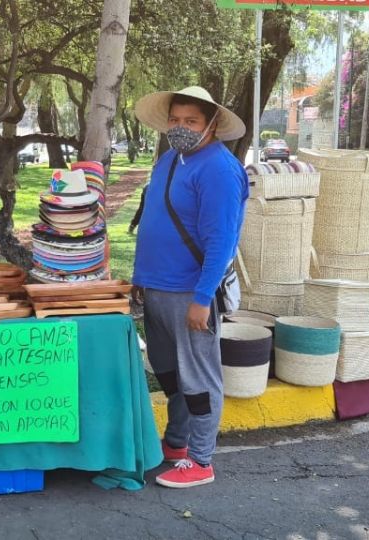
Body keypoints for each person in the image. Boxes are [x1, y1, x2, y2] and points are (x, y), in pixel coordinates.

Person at [131, 86, 248, 488]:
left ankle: (201, 461)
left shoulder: (219, 169)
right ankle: (176, 445)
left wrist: (202, 298)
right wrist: (139, 278)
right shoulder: (168, 160)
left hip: (190, 292)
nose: (181, 128)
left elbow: (222, 240)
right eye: (176, 120)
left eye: (192, 121)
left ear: (212, 125)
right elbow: (154, 220)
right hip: (156, 287)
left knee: (199, 379)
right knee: (169, 373)